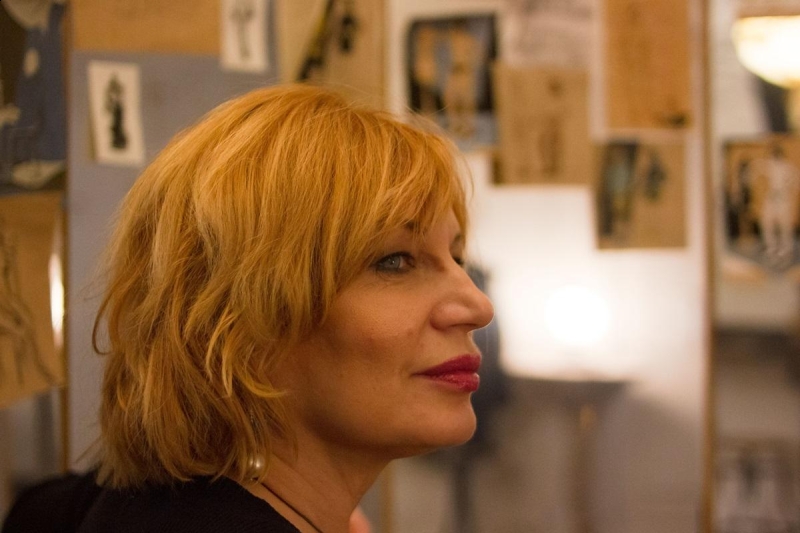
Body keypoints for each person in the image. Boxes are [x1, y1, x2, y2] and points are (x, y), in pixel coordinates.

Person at [2, 84, 493, 533]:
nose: (477, 305)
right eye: (394, 261)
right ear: (235, 319)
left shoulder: (98, 507)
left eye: (456, 257)